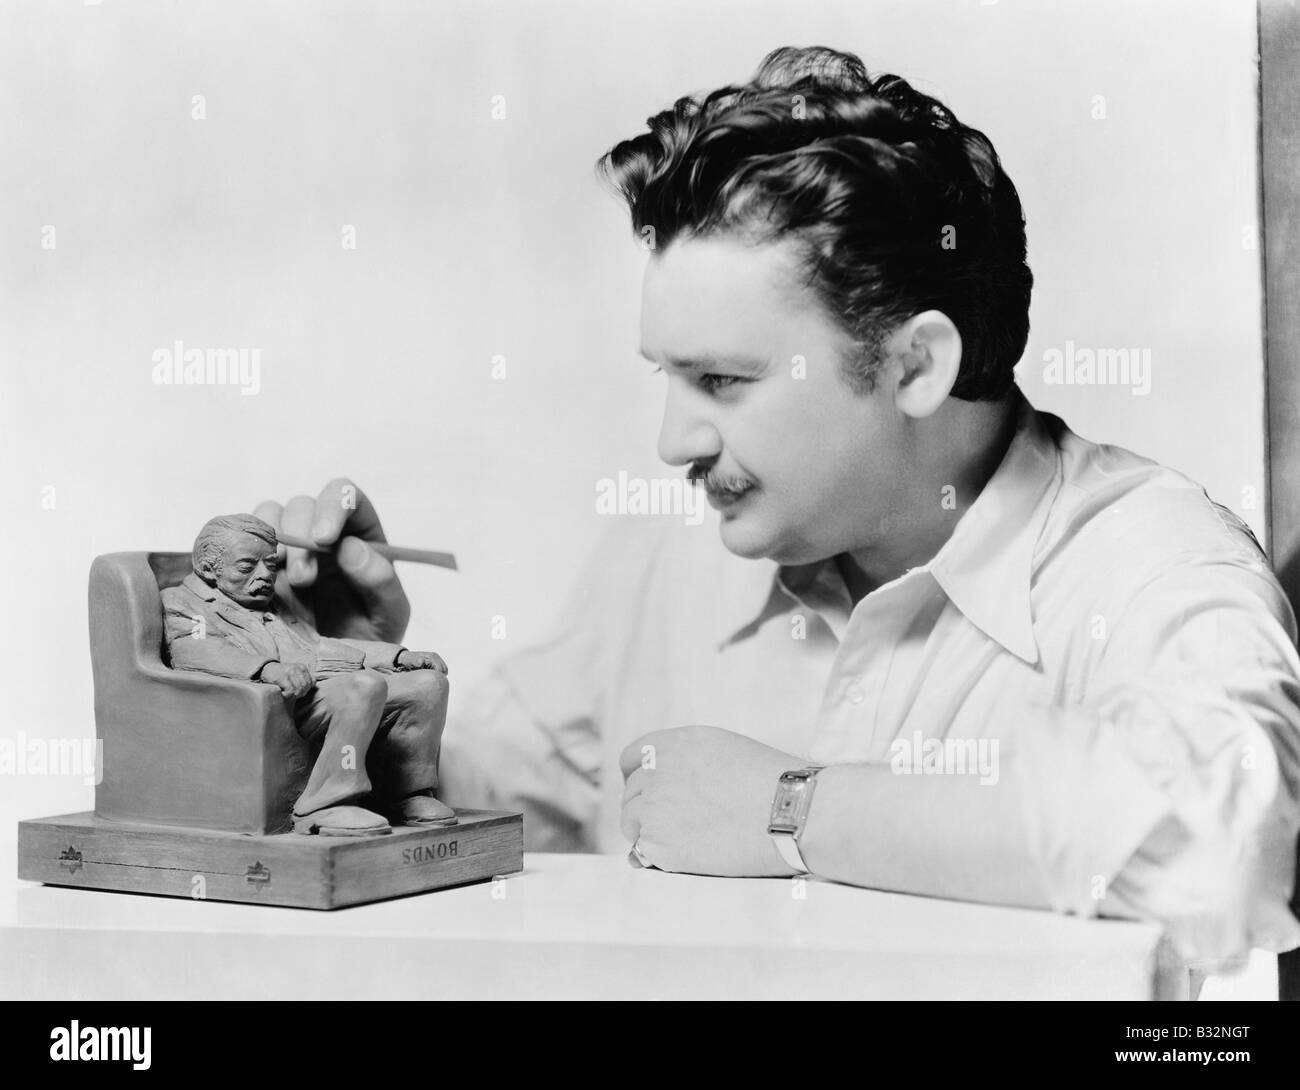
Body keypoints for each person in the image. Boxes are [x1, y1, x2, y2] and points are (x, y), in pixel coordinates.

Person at [253, 47, 1300, 971]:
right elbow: (493, 801)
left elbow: (1221, 852)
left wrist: (786, 811)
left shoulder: (1149, 560)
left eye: (723, 382)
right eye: (666, 376)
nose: (672, 443)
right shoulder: (673, 556)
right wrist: (352, 679)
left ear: (914, 364)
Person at [161, 513, 456, 836]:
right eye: (247, 567)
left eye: (270, 565)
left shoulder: (271, 602)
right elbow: (196, 651)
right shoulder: (182, 602)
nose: (264, 576)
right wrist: (267, 670)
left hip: (315, 691)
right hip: (266, 704)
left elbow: (318, 645)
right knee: (363, 686)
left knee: (428, 685)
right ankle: (325, 803)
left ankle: (406, 793)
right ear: (207, 570)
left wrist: (397, 656)